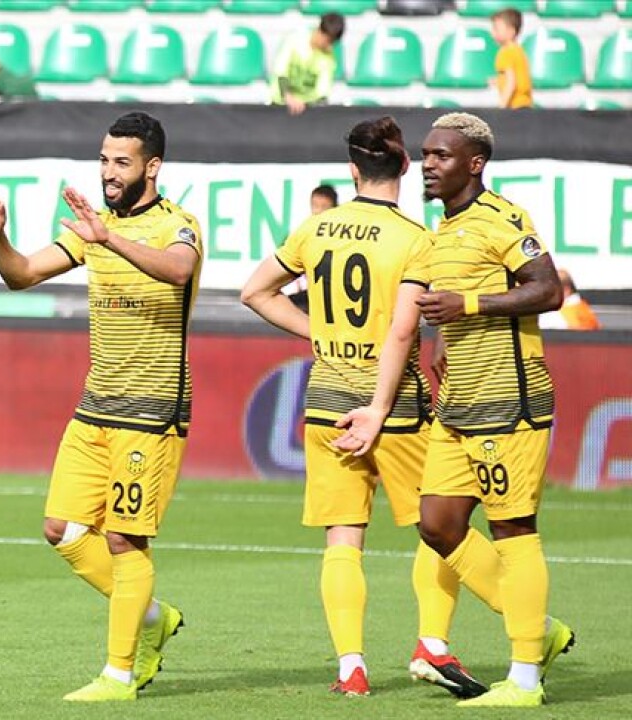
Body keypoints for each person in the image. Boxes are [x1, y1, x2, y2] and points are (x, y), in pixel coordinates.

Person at [240, 116, 486, 700]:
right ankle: (432, 643)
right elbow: (403, 331)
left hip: (328, 402)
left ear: (353, 170)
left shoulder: (316, 228)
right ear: (405, 166)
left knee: (343, 538)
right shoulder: (416, 238)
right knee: (440, 528)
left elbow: (254, 292)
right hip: (395, 406)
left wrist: (320, 333)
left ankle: (351, 667)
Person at [0, 112, 199, 702]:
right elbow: (21, 274)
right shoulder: (94, 227)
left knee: (124, 541)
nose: (108, 172)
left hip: (152, 411)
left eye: (121, 161)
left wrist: (108, 240)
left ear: (152, 166)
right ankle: (154, 618)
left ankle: (118, 676)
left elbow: (179, 271)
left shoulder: (177, 224)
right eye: (103, 160)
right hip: (97, 406)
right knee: (61, 528)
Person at [373, 112, 572, 707]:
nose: (428, 165)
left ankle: (525, 678)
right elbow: (445, 306)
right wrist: (443, 338)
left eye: (441, 155)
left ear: (475, 163)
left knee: (513, 530)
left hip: (507, 402)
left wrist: (471, 304)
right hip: (457, 405)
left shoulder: (502, 219)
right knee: (436, 525)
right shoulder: (440, 231)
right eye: (425, 154)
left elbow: (549, 289)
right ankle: (538, 627)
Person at [270, 13, 346, 116]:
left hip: (306, 112)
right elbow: (280, 71)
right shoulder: (295, 39)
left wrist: (303, 103)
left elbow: (322, 93)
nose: (329, 46)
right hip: (279, 106)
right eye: (328, 40)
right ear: (320, 31)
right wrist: (288, 97)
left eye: (332, 43)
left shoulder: (328, 59)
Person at [283, 184, 341, 309]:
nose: (318, 211)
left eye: (324, 207)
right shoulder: (303, 233)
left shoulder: (340, 236)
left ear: (335, 208)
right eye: (315, 206)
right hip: (308, 293)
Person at [490, 8, 532, 110]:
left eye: (496, 29)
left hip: (514, 106)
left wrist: (502, 107)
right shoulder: (519, 50)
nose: (492, 33)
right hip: (526, 105)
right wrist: (498, 80)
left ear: (511, 32)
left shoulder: (505, 52)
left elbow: (511, 82)